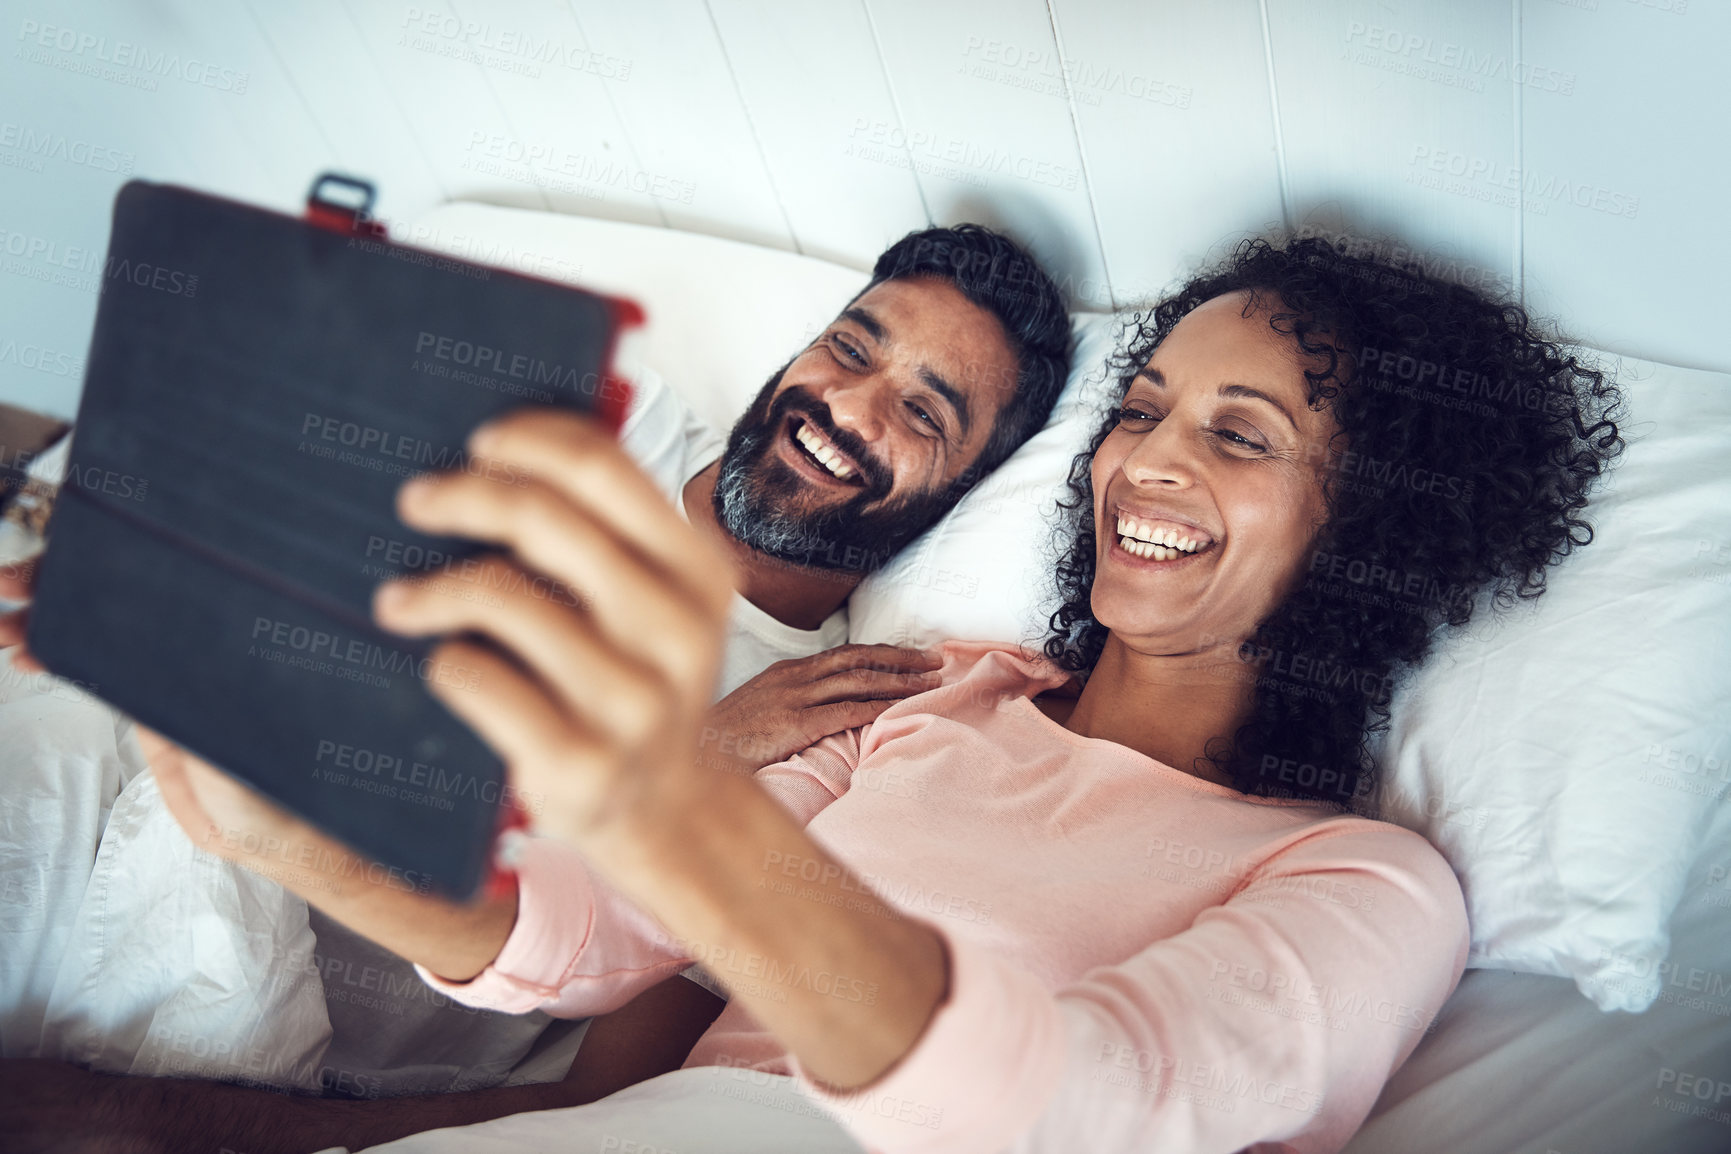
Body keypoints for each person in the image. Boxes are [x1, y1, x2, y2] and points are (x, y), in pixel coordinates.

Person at [16, 231, 1625, 1152]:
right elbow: (586, 936)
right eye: (1143, 407)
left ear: (1380, 530)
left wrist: (667, 797)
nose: (1144, 457)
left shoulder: (1361, 880)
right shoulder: (927, 699)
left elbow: (1093, 1103)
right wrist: (273, 813)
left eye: (1240, 434)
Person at [0, 225, 1072, 1150]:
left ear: (962, 493)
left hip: (234, 1006)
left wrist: (154, 1123)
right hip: (103, 754)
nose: (848, 406)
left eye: (924, 416)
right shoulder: (600, 418)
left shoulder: (826, 734)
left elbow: (598, 1102)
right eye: (850, 347)